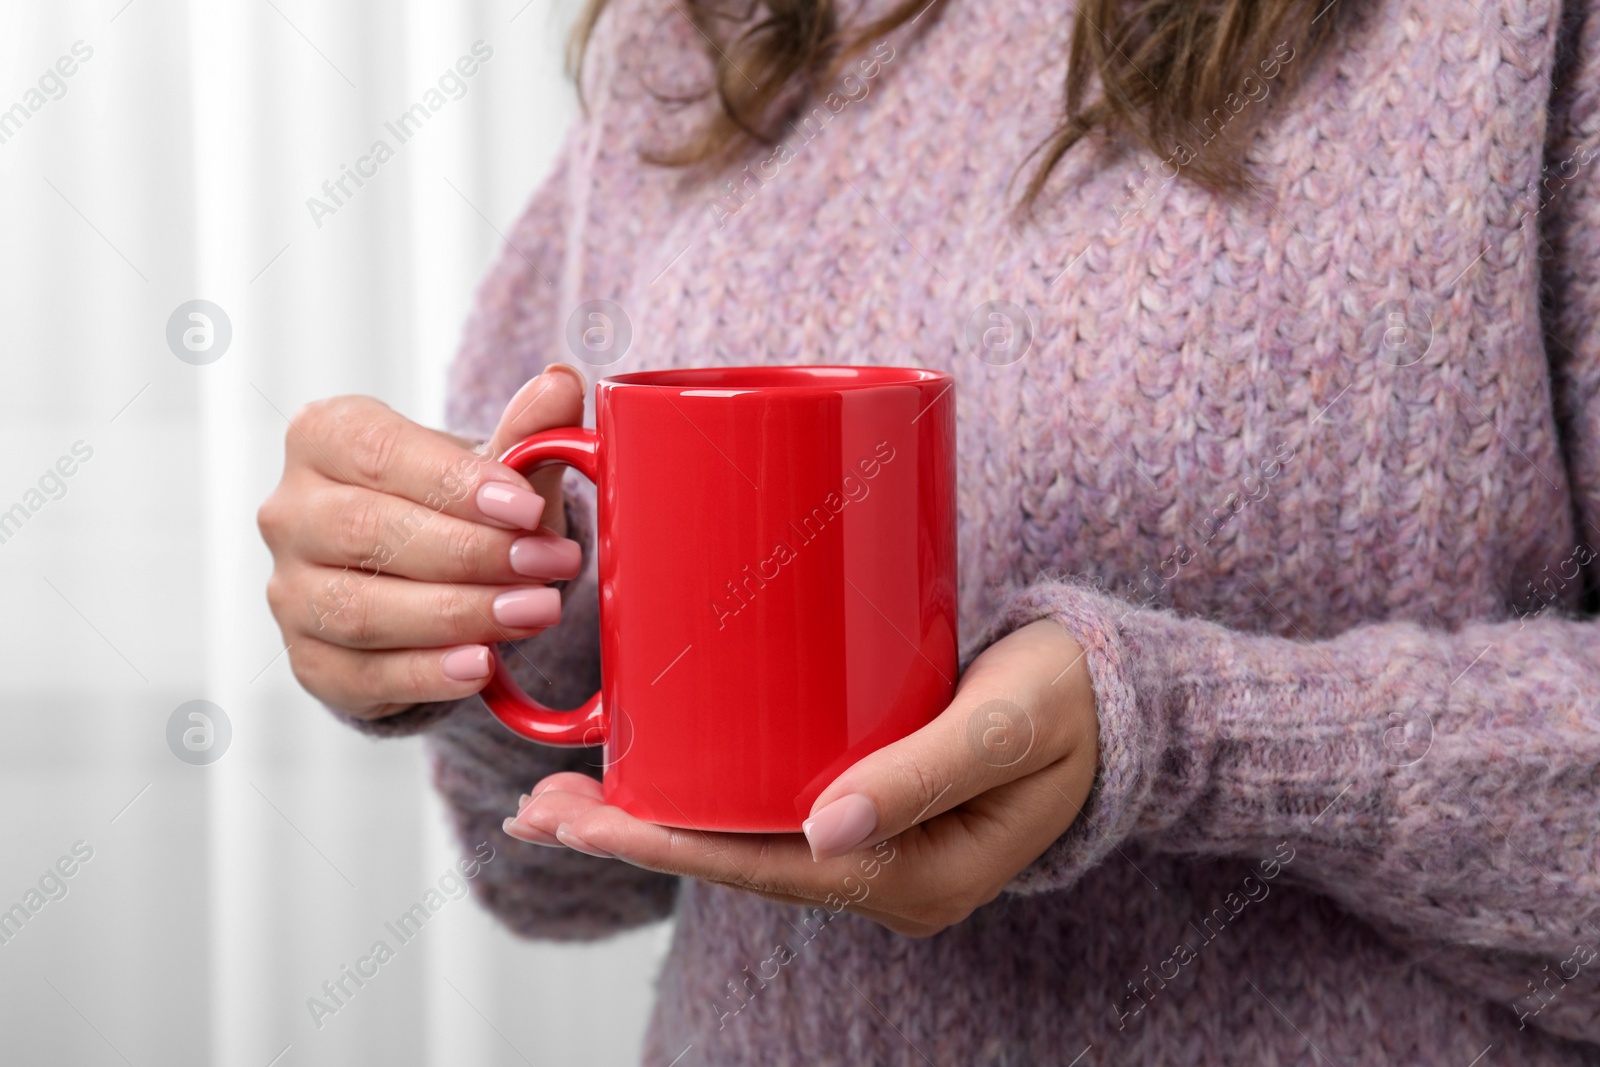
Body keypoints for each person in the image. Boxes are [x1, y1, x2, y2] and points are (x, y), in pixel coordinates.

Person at [258, 0, 1600, 1061]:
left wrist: (1179, 742)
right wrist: (471, 623)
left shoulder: (1517, 37)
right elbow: (554, 880)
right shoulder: (704, 32)